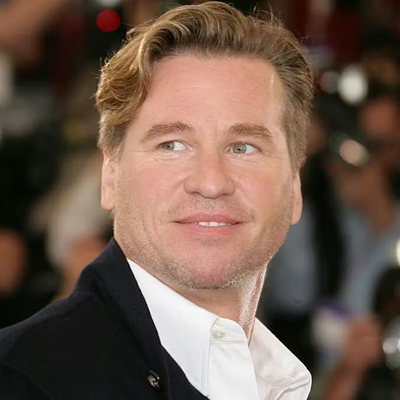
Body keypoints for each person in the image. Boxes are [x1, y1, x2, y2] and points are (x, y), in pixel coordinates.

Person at [0, 2, 314, 399]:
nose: (211, 182)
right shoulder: (20, 381)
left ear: (295, 186)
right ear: (110, 177)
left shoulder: (282, 383)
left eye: (243, 147)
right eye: (173, 145)